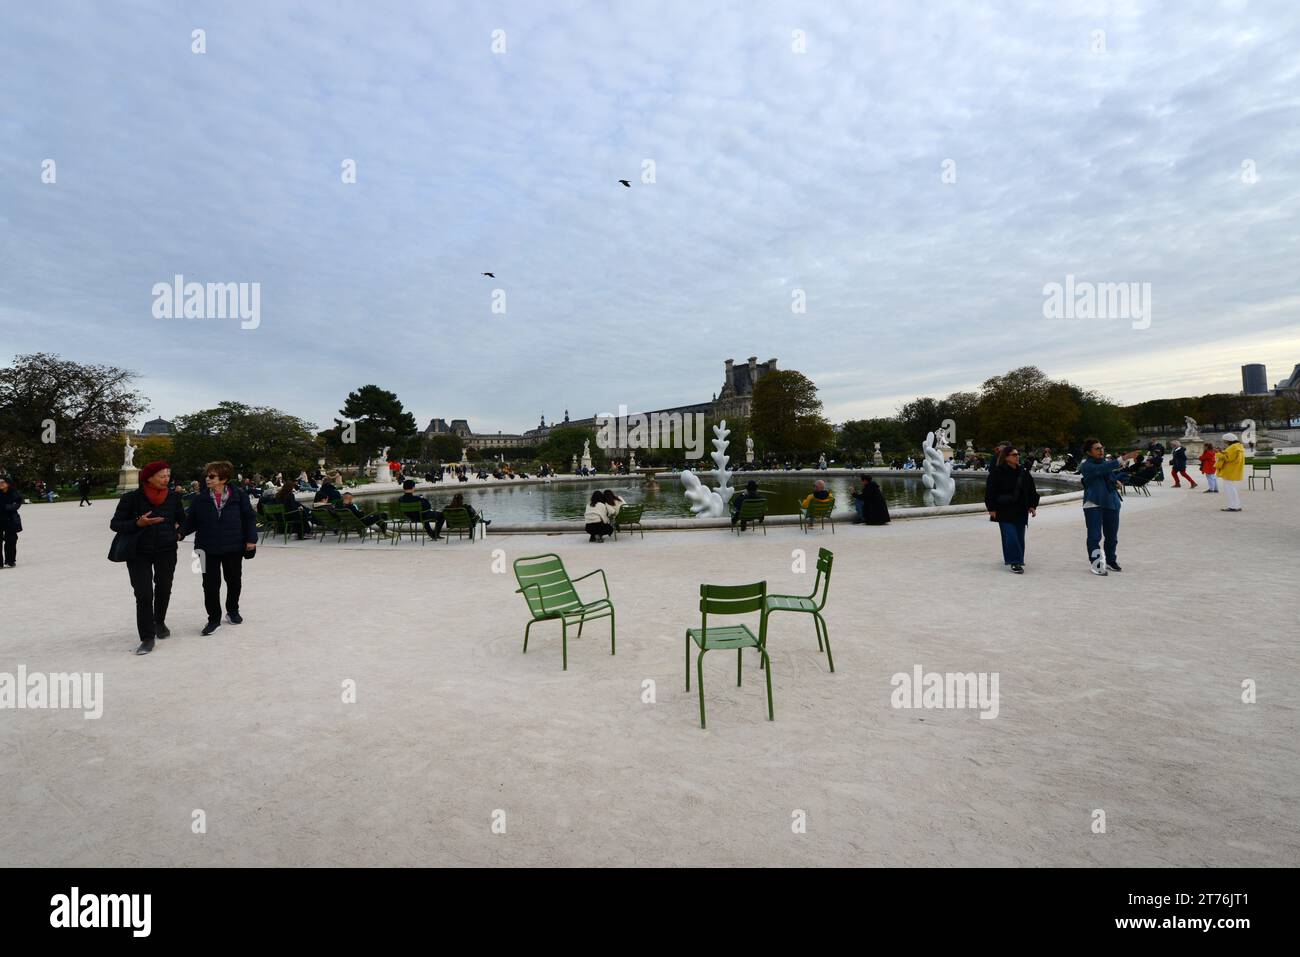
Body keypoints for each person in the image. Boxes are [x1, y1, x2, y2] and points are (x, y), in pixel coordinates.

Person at [110, 461, 184, 655]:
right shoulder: (131, 498)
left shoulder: (174, 497)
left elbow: (182, 520)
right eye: (162, 475)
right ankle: (147, 637)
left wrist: (180, 532)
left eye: (168, 475)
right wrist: (138, 523)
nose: (166, 479)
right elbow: (115, 524)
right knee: (143, 594)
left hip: (166, 550)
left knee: (164, 588)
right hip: (138, 552)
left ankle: (159, 622)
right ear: (149, 477)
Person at [180, 460, 258, 636]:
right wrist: (179, 533)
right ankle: (213, 619)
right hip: (205, 548)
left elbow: (249, 518)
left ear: (223, 478)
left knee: (234, 581)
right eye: (207, 475)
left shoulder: (238, 495)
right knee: (209, 585)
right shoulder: (199, 499)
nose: (207, 479)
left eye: (212, 476)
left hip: (233, 546)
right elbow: (191, 521)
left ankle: (232, 610)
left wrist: (251, 539)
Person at [984, 446, 1039, 574]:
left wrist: (1032, 505)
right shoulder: (997, 472)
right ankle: (1015, 561)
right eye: (1014, 454)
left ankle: (1016, 559)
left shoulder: (1023, 472)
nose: (1017, 456)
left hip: (1020, 509)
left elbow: (1031, 489)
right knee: (1010, 535)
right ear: (1006, 457)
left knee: (1019, 536)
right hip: (1003, 509)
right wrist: (991, 509)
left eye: (1018, 454)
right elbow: (990, 491)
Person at [1079, 438, 1125, 576]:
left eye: (1102, 448)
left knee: (1112, 536)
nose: (1101, 450)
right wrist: (1122, 459)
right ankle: (1096, 564)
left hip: (1111, 502)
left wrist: (1115, 482)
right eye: (1097, 449)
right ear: (1089, 452)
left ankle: (1111, 560)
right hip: (1093, 503)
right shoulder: (1086, 465)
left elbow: (1108, 475)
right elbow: (1100, 470)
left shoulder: (1105, 463)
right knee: (1095, 536)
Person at [1216, 433, 1245, 512]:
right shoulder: (1238, 446)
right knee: (1231, 488)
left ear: (1228, 440)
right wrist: (1223, 452)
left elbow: (1228, 458)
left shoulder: (1233, 447)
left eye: (1225, 440)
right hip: (1232, 470)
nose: (1224, 442)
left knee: (1229, 489)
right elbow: (1230, 456)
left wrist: (1218, 454)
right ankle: (1235, 505)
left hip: (1229, 470)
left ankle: (1233, 506)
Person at [0, 474, 23, 568]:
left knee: (11, 540)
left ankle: (10, 560)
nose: (0, 484)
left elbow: (15, 506)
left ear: (8, 483)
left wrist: (4, 507)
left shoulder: (15, 493)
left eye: (2, 482)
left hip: (11, 519)